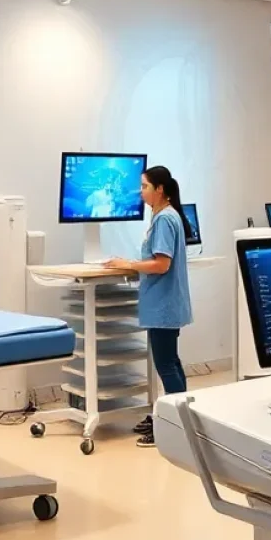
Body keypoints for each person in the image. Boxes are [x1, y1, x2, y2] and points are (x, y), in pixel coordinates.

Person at [106, 165, 193, 448]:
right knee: (171, 361)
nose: (140, 191)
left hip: (164, 304)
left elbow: (161, 263)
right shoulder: (163, 216)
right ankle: (173, 417)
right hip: (164, 303)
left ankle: (175, 425)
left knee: (166, 364)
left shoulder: (166, 219)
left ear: (160, 190)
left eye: (144, 186)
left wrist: (128, 265)